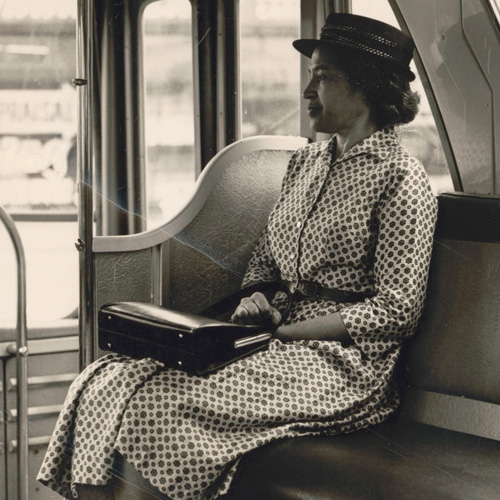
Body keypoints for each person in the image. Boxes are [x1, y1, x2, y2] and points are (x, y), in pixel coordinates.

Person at [37, 13, 437, 500]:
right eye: (311, 76)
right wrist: (256, 298)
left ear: (367, 86)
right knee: (106, 379)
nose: (308, 92)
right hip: (271, 337)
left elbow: (397, 310)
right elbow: (267, 258)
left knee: (158, 405)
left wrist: (289, 331)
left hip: (342, 365)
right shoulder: (305, 162)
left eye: (323, 77)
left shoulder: (401, 178)